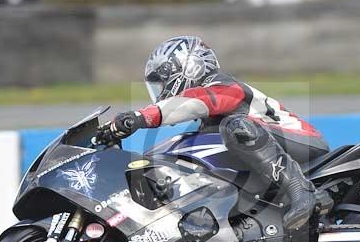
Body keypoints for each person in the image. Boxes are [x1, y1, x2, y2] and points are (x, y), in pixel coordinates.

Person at [101, 36, 329, 231]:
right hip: (271, 153)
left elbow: (193, 102)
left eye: (162, 83)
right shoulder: (209, 120)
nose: (161, 92)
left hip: (300, 141)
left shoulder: (223, 85)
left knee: (236, 127)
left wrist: (141, 117)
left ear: (189, 68)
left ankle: (300, 191)